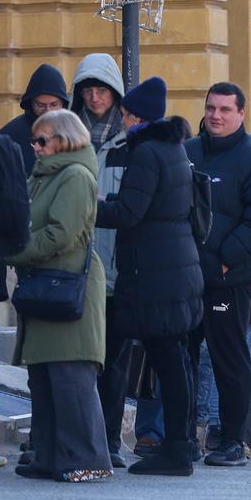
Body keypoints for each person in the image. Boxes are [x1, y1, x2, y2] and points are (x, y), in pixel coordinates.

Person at [96, 88, 202, 477]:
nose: (122, 121)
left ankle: (175, 449)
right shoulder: (173, 149)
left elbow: (129, 212)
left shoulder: (145, 152)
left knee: (167, 359)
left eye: (126, 115)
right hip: (174, 266)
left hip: (155, 271)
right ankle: (182, 444)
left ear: (137, 118)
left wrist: (89, 207)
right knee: (174, 359)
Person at [7, 110, 110, 482]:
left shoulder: (75, 176)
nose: (34, 147)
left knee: (71, 376)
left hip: (66, 285)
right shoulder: (46, 175)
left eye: (42, 140)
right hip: (47, 286)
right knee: (46, 376)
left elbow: (60, 234)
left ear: (65, 139)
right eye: (34, 141)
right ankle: (51, 455)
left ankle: (89, 459)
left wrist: (13, 251)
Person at [184, 82, 251, 467]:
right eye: (211, 108)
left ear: (241, 114)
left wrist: (225, 259)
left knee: (230, 358)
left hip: (231, 277)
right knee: (182, 357)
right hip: (186, 276)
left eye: (225, 109)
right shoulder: (187, 153)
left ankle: (232, 440)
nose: (216, 115)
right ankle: (183, 436)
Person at [94, 77, 164, 466]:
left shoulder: (136, 151)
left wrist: (99, 205)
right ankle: (85, 439)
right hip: (87, 270)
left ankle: (108, 439)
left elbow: (132, 211)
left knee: (118, 363)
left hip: (122, 273)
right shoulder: (83, 139)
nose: (94, 99)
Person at [0, 63, 70, 173]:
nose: (48, 111)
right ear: (31, 103)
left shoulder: (74, 133)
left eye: (54, 105)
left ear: (63, 104)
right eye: (41, 105)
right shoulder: (9, 136)